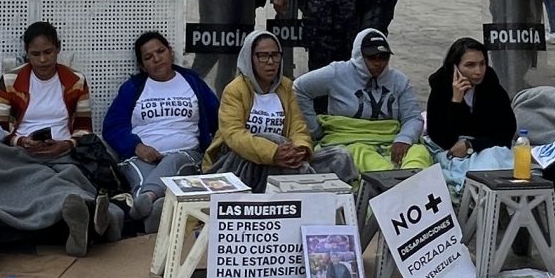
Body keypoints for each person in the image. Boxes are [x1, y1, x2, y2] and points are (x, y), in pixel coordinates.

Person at [101, 30, 219, 209]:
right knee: (140, 176)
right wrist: (137, 147)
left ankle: (144, 200)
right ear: (142, 65)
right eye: (148, 57)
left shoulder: (192, 82)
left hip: (186, 154)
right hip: (141, 157)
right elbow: (112, 127)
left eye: (161, 51)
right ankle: (153, 210)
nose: (156, 59)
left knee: (172, 161)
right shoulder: (133, 88)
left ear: (170, 52)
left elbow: (218, 119)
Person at [209, 31, 336, 189]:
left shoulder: (286, 86)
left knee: (340, 156)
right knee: (273, 138)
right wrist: (273, 152)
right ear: (250, 59)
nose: (270, 62)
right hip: (240, 161)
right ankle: (309, 192)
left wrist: (300, 149)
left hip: (285, 159)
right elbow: (234, 135)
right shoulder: (235, 89)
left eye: (275, 55)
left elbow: (298, 127)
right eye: (263, 56)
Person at [293, 26, 426, 172]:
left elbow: (413, 117)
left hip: (389, 139)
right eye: (372, 57)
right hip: (349, 139)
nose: (378, 63)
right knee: (360, 153)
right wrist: (314, 130)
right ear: (359, 56)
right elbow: (299, 89)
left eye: (383, 57)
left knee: (419, 153)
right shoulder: (337, 73)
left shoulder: (399, 80)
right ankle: (394, 181)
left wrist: (404, 139)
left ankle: (411, 181)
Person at [0, 20, 92, 159]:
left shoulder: (76, 81)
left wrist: (66, 145)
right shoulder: (10, 81)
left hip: (65, 154)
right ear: (27, 52)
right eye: (35, 54)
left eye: (48, 52)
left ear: (58, 48)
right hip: (19, 154)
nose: (43, 59)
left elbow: (84, 130)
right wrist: (21, 142)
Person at [425, 36, 518, 161]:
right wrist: (456, 102)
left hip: (484, 149)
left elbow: (506, 133)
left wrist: (472, 145)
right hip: (451, 152)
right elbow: (442, 139)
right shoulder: (441, 87)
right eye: (470, 65)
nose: (478, 71)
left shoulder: (491, 86)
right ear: (455, 67)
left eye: (482, 64)